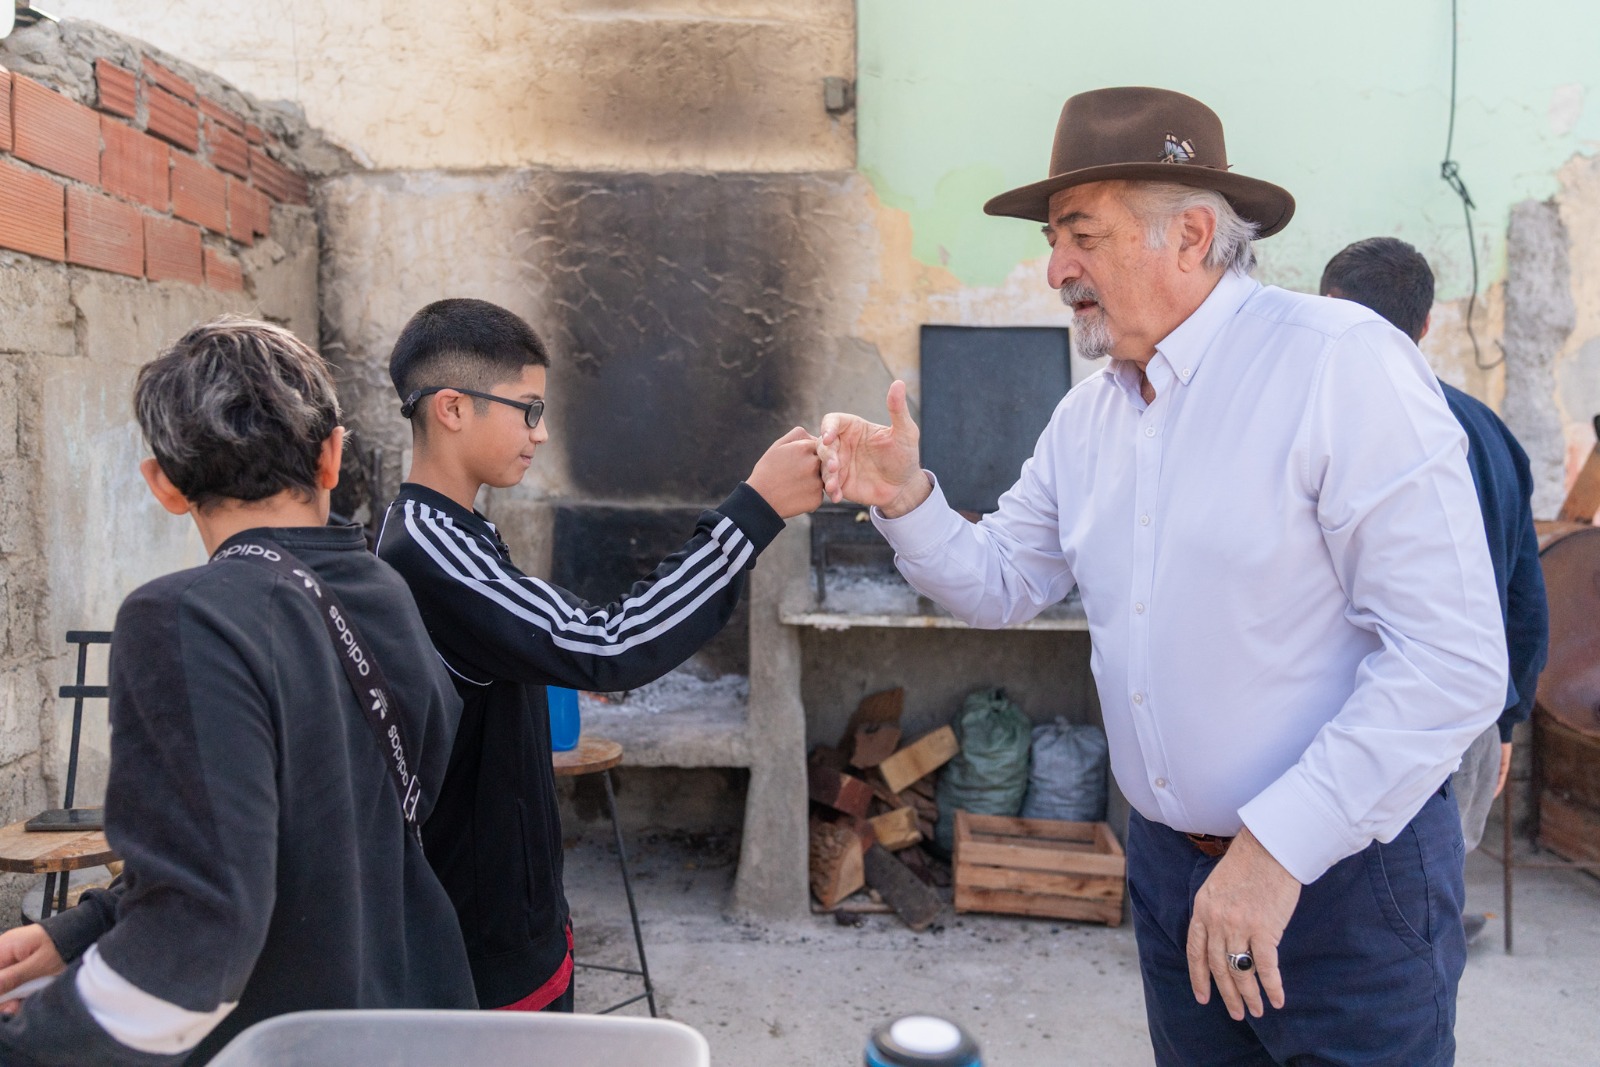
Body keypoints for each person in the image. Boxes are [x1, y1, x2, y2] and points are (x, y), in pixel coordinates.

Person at [819, 88, 1506, 1066]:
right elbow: (1004, 578)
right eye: (1056, 240)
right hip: (1172, 879)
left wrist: (1274, 851)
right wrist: (904, 496)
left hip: (1347, 885)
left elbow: (1451, 660)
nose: (1054, 268)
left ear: (1189, 235)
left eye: (1080, 235)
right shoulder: (1088, 416)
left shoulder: (1340, 369)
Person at [0, 319, 476, 1065]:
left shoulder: (185, 617)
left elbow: (200, 934)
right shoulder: (383, 590)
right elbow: (315, 836)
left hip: (281, 1042)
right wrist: (82, 930)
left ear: (162, 483)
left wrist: (30, 1042)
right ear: (332, 455)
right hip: (417, 1020)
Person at [376, 298, 822, 1011]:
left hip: (504, 909)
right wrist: (754, 512)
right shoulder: (429, 549)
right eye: (526, 409)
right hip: (482, 941)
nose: (542, 432)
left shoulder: (448, 529)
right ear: (453, 408)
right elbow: (612, 642)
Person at [1320, 236, 1549, 940]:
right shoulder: (1490, 432)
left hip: (1344, 715)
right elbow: (1522, 595)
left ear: (1324, 311)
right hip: (1468, 717)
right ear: (1425, 326)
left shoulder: (1318, 423)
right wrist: (1507, 716)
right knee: (1424, 906)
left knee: (1334, 922)